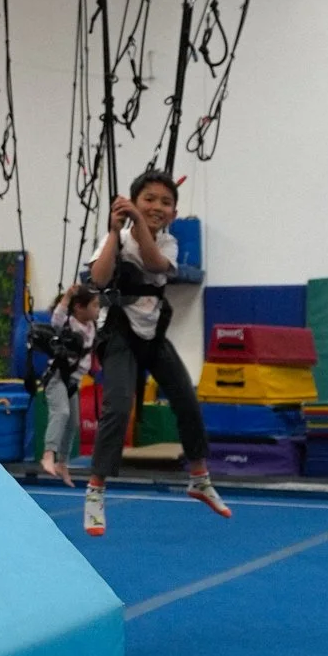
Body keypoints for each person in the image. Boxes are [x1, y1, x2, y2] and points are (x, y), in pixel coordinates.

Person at [83, 171, 230, 535]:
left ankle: (199, 477)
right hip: (119, 333)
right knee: (117, 407)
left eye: (165, 202)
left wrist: (136, 221)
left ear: (174, 213)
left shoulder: (168, 244)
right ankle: (95, 491)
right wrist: (116, 233)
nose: (157, 207)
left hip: (153, 333)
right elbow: (99, 280)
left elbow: (152, 264)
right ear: (135, 200)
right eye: (149, 199)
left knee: (185, 398)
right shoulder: (112, 239)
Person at [39, 283, 99, 485]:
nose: (97, 310)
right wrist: (67, 296)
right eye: (94, 306)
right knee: (61, 412)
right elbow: (57, 316)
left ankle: (62, 463)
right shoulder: (68, 323)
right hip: (57, 377)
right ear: (79, 308)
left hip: (74, 381)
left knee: (73, 422)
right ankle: (48, 454)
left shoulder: (92, 326)